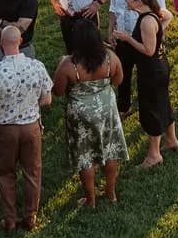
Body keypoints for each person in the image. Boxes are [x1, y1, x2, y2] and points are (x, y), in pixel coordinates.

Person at [0, 25, 53, 232]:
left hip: (5, 128)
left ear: (2, 44)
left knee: (6, 173)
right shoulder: (37, 67)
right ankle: (31, 216)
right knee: (32, 172)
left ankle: (10, 219)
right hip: (31, 127)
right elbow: (47, 99)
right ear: (20, 41)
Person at [53, 23, 127, 208]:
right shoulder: (110, 58)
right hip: (106, 110)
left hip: (81, 115)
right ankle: (111, 193)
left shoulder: (68, 65)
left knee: (85, 156)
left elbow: (58, 91)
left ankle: (91, 199)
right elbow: (118, 81)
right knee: (109, 151)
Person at [123, 0, 178, 168]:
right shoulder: (154, 15)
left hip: (151, 71)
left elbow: (148, 50)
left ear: (139, 1)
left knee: (151, 110)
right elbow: (167, 17)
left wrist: (127, 39)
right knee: (163, 103)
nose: (126, 1)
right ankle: (172, 140)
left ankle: (153, 155)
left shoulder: (147, 21)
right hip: (160, 67)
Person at [108, 0, 168, 118]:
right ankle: (124, 106)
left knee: (145, 77)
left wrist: (156, 35)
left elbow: (162, 15)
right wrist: (111, 30)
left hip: (143, 40)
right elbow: (113, 9)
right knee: (123, 74)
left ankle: (148, 108)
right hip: (123, 38)